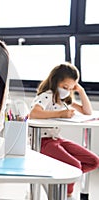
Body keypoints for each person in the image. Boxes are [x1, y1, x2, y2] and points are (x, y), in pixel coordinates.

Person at [29, 63, 99, 200]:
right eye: (65, 87)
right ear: (55, 81)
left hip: (56, 139)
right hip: (42, 141)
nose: (67, 90)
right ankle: (65, 193)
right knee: (75, 165)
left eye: (71, 88)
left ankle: (58, 182)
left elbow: (87, 112)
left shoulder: (63, 99)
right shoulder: (47, 95)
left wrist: (81, 91)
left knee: (93, 161)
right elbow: (34, 113)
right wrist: (60, 114)